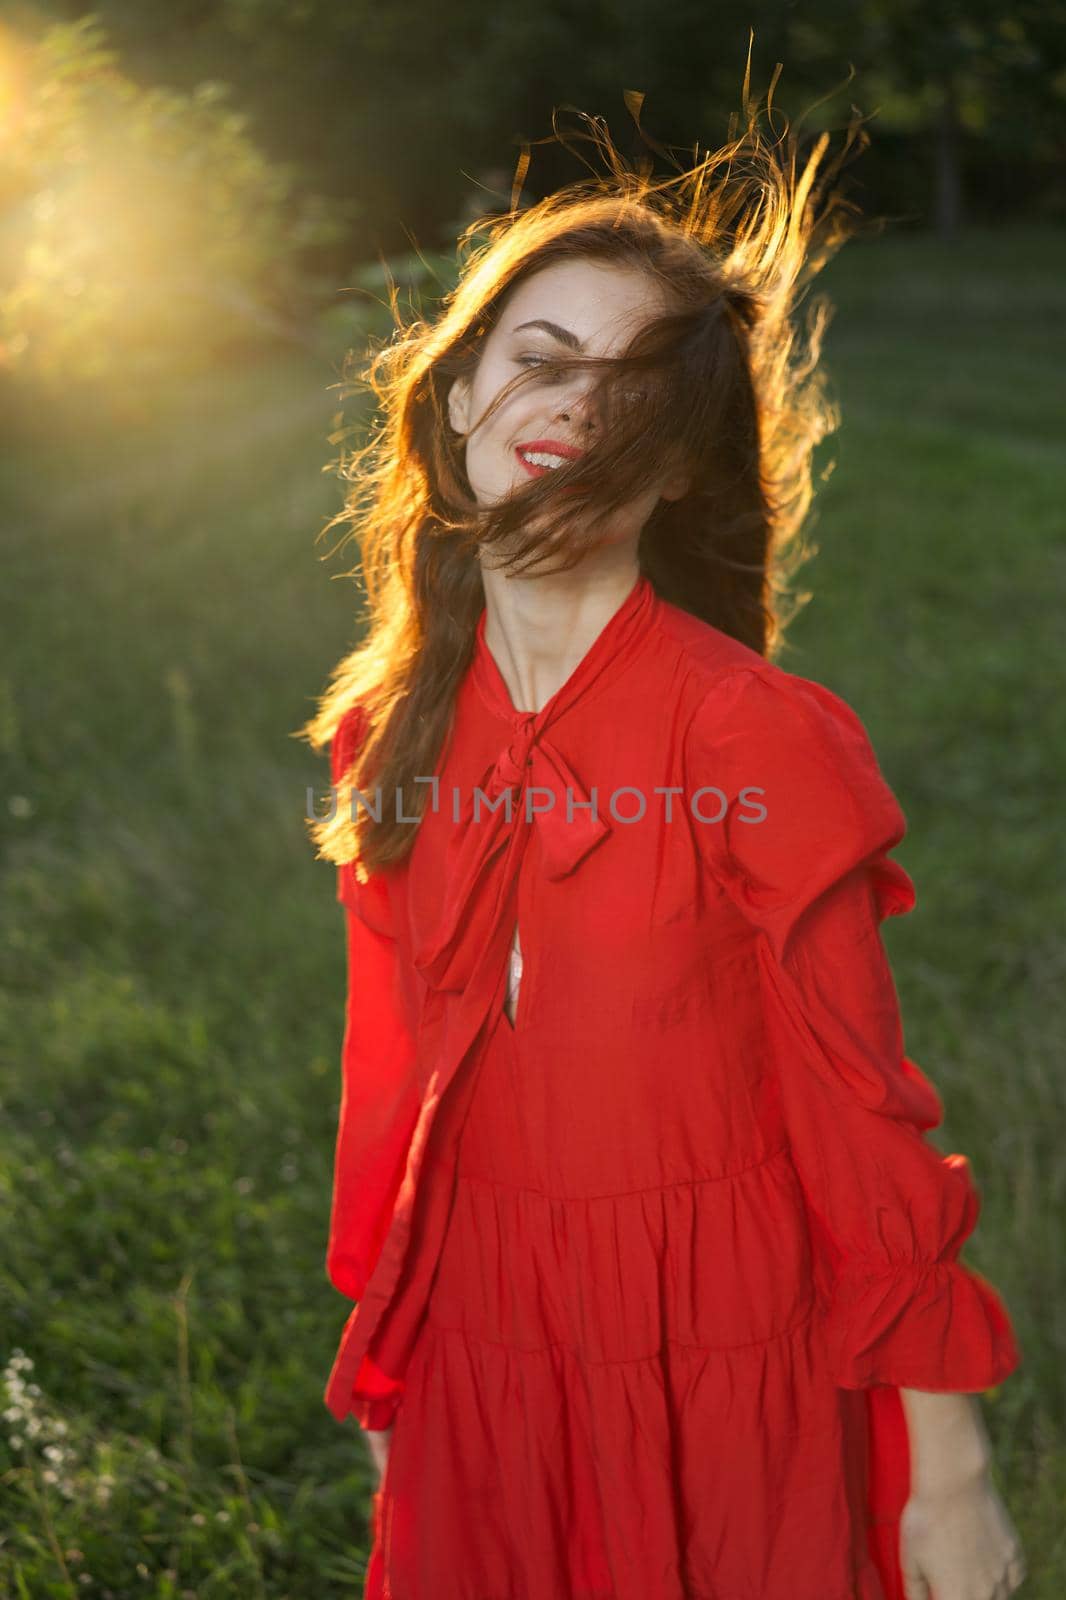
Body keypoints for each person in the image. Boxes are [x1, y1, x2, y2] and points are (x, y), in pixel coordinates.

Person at [303, 87, 1026, 1600]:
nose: (573, 406)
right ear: (455, 397)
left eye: (635, 388)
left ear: (685, 462)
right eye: (540, 360)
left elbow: (856, 1118)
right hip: (484, 1331)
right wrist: (388, 1345)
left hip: (714, 1335)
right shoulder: (395, 732)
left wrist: (945, 1482)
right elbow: (391, 1077)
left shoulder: (750, 735)